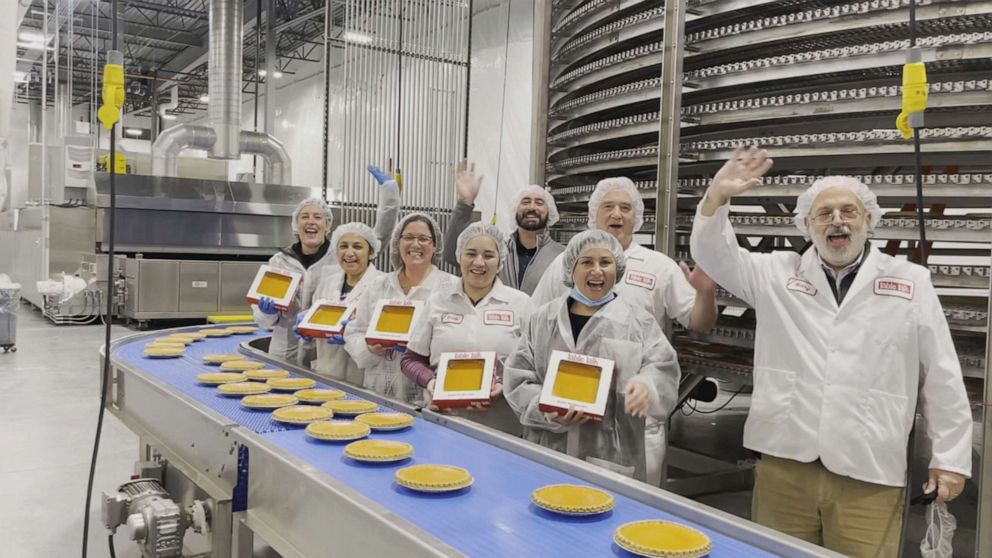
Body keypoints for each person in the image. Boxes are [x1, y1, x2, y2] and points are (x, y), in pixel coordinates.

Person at [689, 146, 972, 557]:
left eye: (848, 211)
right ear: (807, 225)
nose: (836, 220)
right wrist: (716, 197)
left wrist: (949, 457)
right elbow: (713, 254)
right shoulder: (775, 273)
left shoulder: (910, 282)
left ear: (869, 221)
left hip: (869, 468)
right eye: (824, 214)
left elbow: (941, 373)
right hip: (786, 461)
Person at [530, 176, 719, 486]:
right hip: (570, 416)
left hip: (633, 422)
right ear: (594, 214)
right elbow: (537, 325)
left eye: (625, 207)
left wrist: (706, 293)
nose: (616, 214)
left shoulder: (659, 267)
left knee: (628, 511)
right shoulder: (566, 262)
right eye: (608, 206)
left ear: (638, 216)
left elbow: (699, 322)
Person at [503, 230, 681, 481]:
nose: (597, 271)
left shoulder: (637, 322)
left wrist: (647, 385)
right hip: (548, 451)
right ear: (570, 270)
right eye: (587, 262)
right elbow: (517, 377)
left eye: (605, 262)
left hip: (611, 460)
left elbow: (662, 367)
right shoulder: (544, 319)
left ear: (617, 269)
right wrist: (547, 409)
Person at [253, 166, 400, 364]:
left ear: (327, 225)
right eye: (305, 217)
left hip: (325, 352)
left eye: (318, 217)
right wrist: (266, 312)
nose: (311, 221)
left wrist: (390, 193)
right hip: (283, 351)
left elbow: (378, 237)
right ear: (296, 225)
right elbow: (263, 319)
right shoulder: (279, 261)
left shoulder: (341, 257)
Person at [401, 222, 532, 435]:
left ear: (500, 262)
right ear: (459, 257)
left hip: (503, 429)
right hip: (443, 421)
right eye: (471, 253)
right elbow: (411, 359)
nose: (479, 262)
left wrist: (504, 386)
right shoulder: (438, 301)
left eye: (488, 255)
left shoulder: (521, 304)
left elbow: (533, 366)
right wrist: (431, 382)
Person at [344, 213, 456, 404]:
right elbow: (354, 332)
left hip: (429, 398)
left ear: (435, 245)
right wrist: (369, 348)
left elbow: (457, 341)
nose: (415, 244)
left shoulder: (451, 288)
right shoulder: (379, 285)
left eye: (423, 239)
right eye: (409, 237)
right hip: (377, 394)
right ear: (398, 242)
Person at [441, 159, 564, 295]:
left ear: (550, 212)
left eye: (539, 203)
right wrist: (464, 203)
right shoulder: (499, 249)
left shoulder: (561, 255)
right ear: (515, 210)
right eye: (525, 202)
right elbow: (451, 254)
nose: (532, 207)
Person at [301, 222, 383, 386]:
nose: (349, 253)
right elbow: (316, 317)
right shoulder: (328, 282)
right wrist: (307, 330)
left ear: (371, 253)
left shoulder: (382, 285)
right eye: (343, 246)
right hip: (327, 371)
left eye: (357, 247)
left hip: (363, 377)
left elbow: (383, 337)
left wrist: (353, 339)